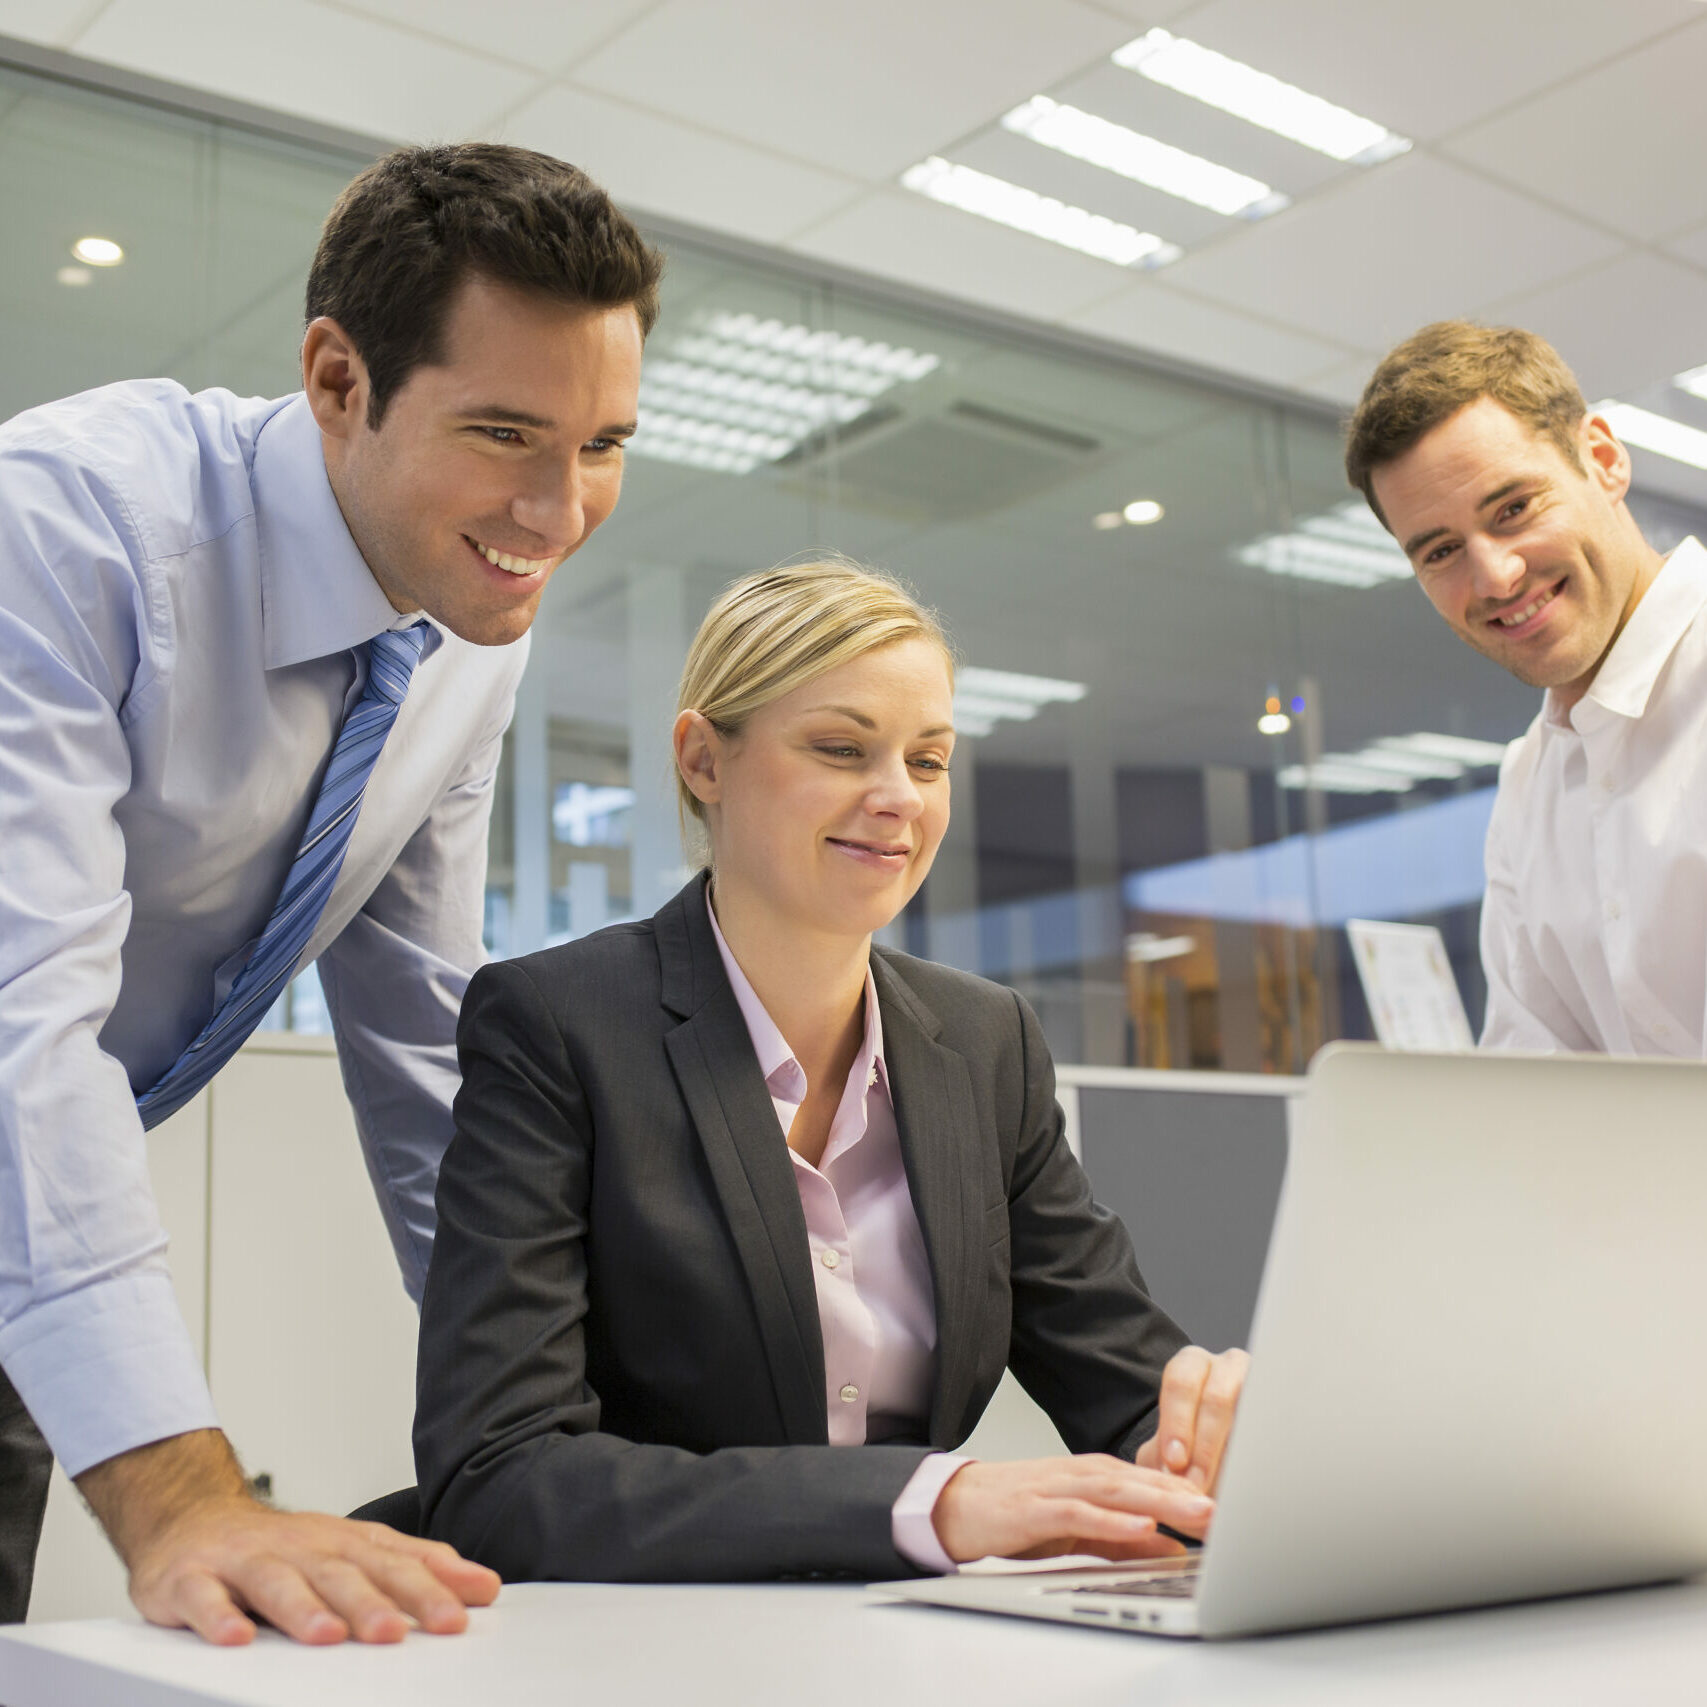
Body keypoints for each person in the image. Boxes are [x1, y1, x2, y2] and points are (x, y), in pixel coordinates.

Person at [0, 142, 659, 1642]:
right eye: (504, 431)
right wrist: (181, 1493)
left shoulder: (469, 618)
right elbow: (17, 1021)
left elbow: (429, 1047)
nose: (558, 511)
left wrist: (558, 1423)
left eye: (605, 441)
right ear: (336, 376)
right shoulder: (65, 527)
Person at [414, 560, 1248, 1581]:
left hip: (904, 1645)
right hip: (647, 1647)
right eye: (842, 749)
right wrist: (931, 1504)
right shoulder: (558, 1025)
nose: (898, 799)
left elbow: (1124, 1390)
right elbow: (498, 1476)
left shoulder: (985, 1044)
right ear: (703, 762)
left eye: (930, 761)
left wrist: (1209, 1439)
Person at [1345, 322, 1705, 1056]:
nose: (1494, 577)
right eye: (1441, 550)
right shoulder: (1528, 784)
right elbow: (1536, 1088)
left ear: (1601, 460)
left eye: (1512, 509)